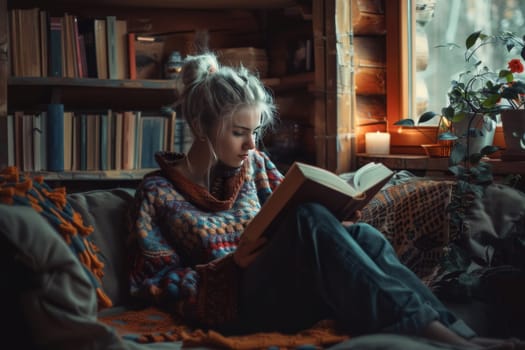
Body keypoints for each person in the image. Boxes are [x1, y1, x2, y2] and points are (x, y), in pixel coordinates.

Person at [128, 52, 522, 350]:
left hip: (289, 292)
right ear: (200, 127)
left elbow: (293, 217)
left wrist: (340, 224)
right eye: (238, 133)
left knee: (363, 235)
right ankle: (448, 339)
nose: (251, 145)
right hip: (235, 308)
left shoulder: (257, 165)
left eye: (255, 132)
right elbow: (154, 284)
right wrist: (232, 266)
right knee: (308, 218)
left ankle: (458, 333)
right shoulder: (157, 193)